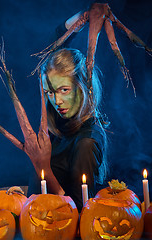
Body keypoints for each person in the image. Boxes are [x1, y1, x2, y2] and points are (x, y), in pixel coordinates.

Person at [27, 14, 109, 211]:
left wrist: (43, 167)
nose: (57, 101)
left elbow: (79, 212)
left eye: (64, 90)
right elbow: (52, 48)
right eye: (50, 92)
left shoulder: (86, 143)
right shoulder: (63, 119)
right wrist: (84, 15)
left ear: (83, 86)